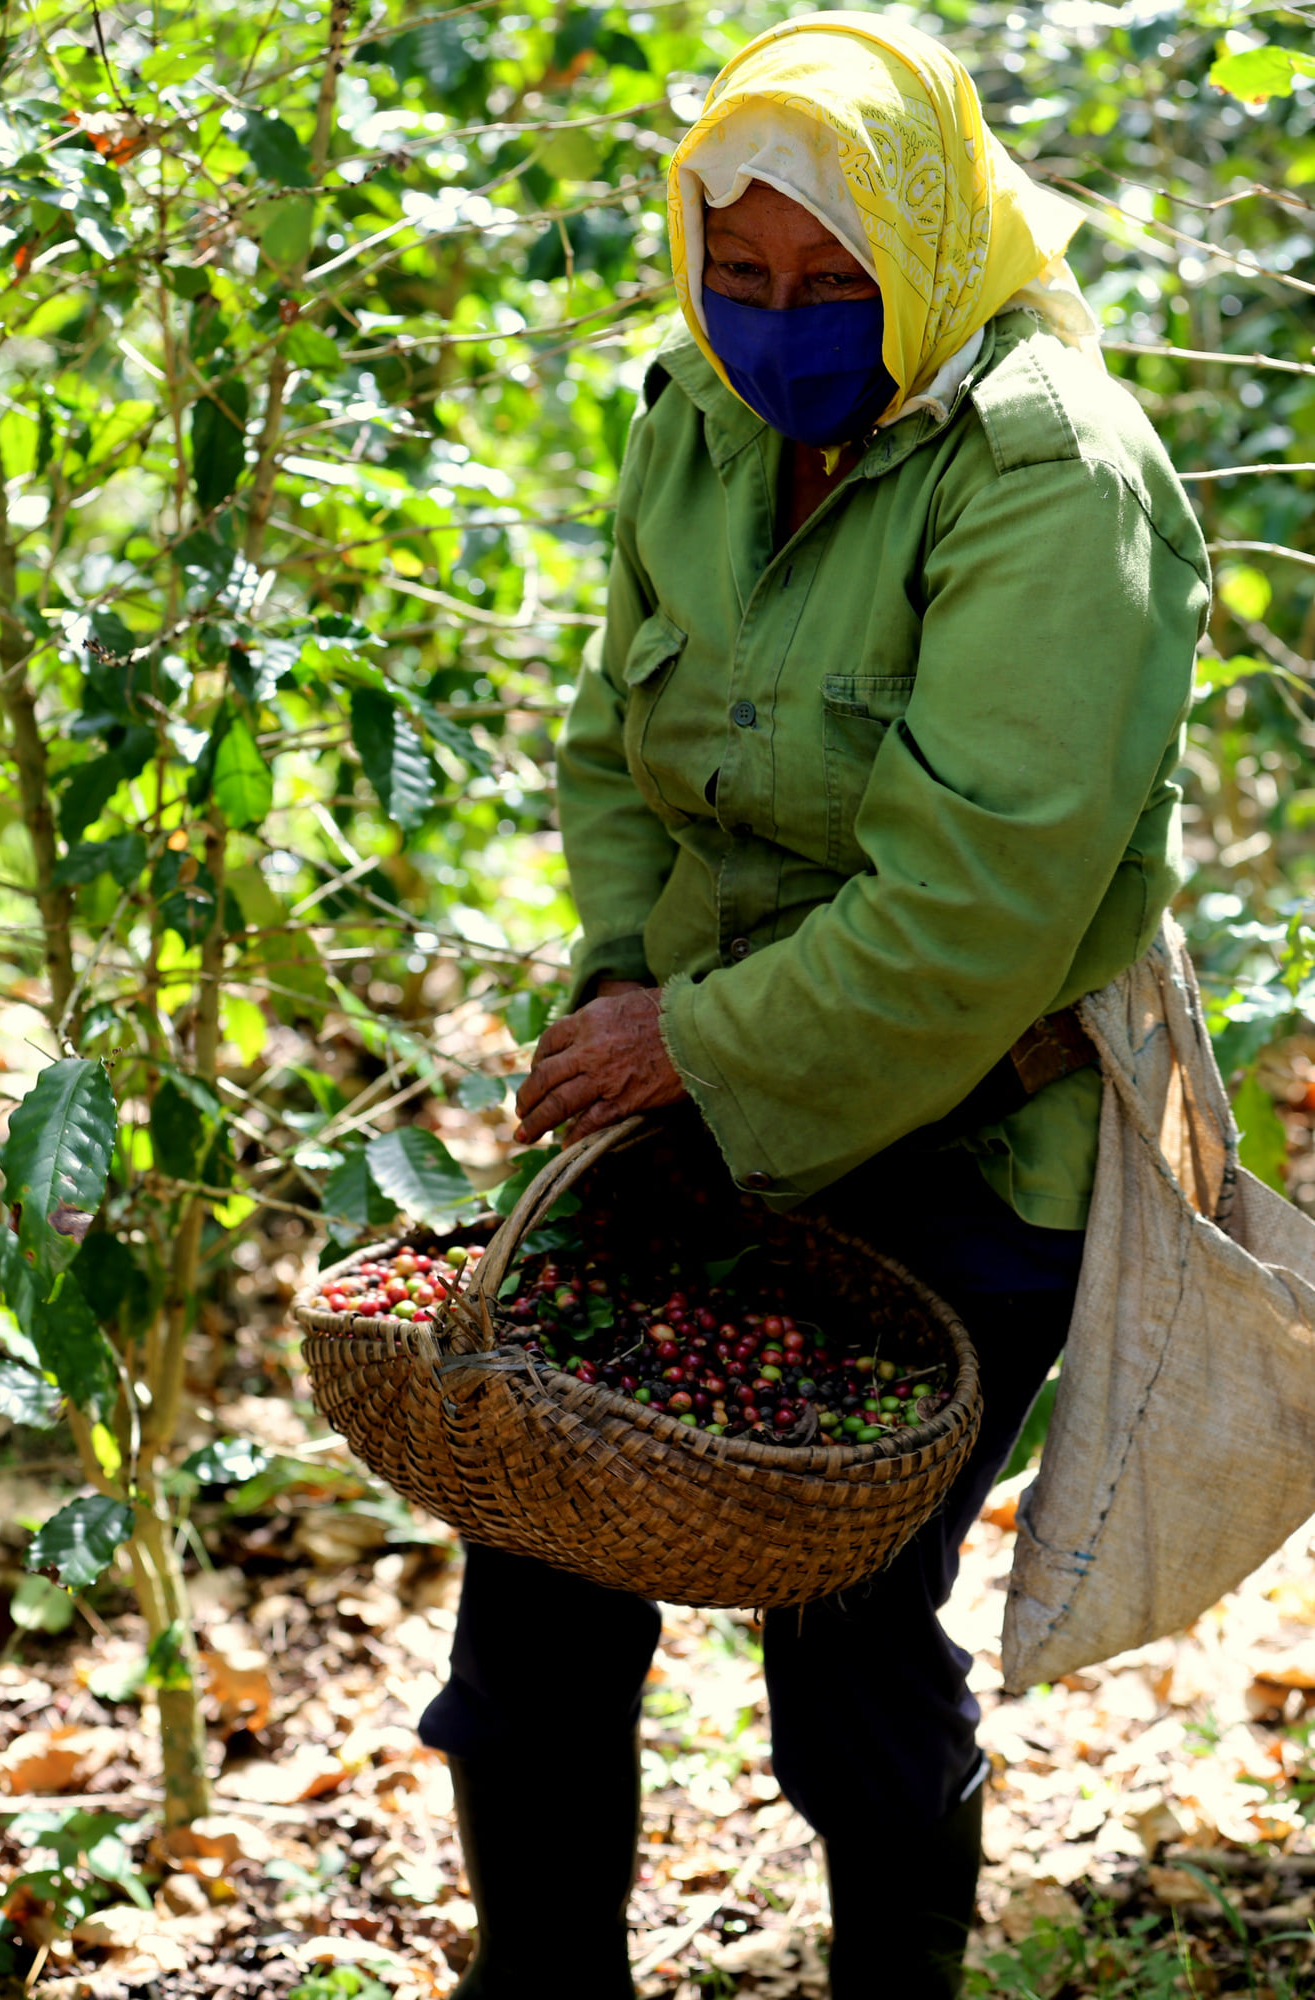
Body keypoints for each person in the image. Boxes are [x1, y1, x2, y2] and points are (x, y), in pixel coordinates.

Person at [418, 14, 1209, 1994]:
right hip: (696, 1093)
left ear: (926, 248)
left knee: (849, 1626)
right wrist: (629, 980)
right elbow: (615, 756)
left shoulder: (1048, 473)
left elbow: (976, 904)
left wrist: (689, 1043)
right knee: (536, 1567)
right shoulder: (694, 417)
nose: (776, 326)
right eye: (739, 274)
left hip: (962, 1124)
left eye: (830, 284)